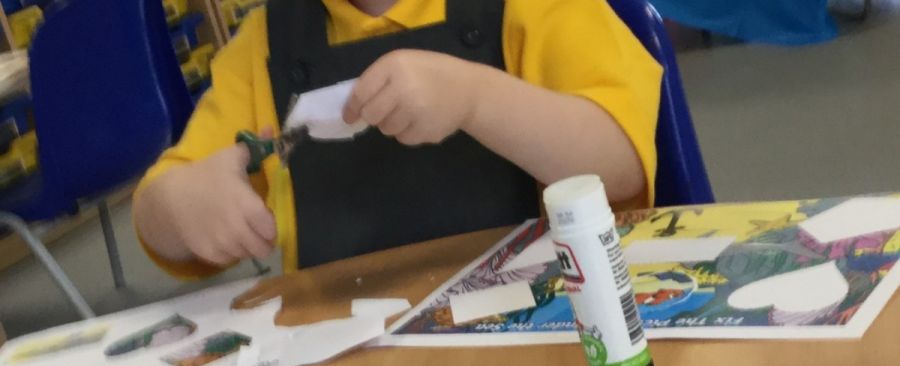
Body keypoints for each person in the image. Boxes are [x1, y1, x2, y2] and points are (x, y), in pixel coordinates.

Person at [133, 0, 662, 278]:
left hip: (538, 331)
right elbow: (157, 217)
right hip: (348, 365)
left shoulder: (536, 5)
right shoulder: (263, 46)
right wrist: (181, 205)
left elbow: (618, 166)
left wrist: (477, 99)